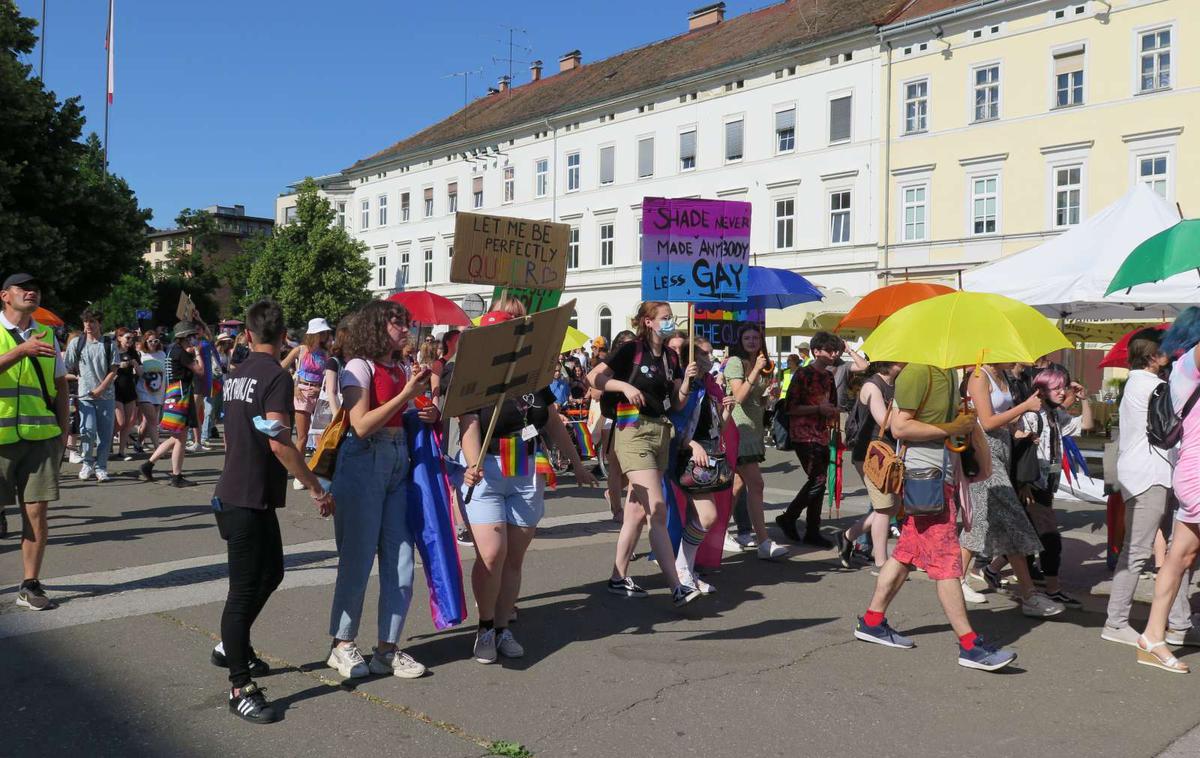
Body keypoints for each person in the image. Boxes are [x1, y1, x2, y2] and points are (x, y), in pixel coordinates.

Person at [212, 299, 332, 723]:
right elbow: (280, 441)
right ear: (285, 337)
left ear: (247, 335)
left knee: (274, 572)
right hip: (244, 498)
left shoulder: (236, 374)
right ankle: (239, 684)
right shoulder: (277, 378)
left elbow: (234, 435)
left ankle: (232, 644)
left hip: (244, 493)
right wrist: (316, 487)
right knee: (242, 592)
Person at [854, 363, 1017, 671]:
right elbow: (900, 427)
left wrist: (963, 428)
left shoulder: (946, 373)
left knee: (905, 552)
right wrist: (952, 428)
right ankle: (969, 645)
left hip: (938, 476)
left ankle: (872, 621)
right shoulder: (918, 372)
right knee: (946, 562)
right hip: (924, 479)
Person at [459, 303, 597, 663]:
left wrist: (578, 466)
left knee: (513, 559)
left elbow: (551, 422)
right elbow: (468, 425)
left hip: (524, 472)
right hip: (486, 470)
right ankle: (485, 626)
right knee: (491, 554)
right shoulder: (472, 375)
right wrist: (472, 463)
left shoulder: (533, 377)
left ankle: (503, 627)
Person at [325, 300, 438, 680]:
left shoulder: (402, 365)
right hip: (363, 460)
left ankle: (387, 649)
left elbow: (397, 416)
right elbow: (360, 425)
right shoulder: (358, 367)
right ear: (376, 327)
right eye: (397, 323)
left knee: (401, 560)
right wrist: (406, 395)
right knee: (357, 559)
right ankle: (342, 644)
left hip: (396, 459)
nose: (405, 329)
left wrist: (425, 411)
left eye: (406, 323)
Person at [590, 301, 701, 606]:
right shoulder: (631, 350)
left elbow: (677, 404)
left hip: (660, 432)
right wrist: (624, 387)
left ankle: (617, 576)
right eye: (665, 318)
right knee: (658, 509)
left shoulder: (671, 356)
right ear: (648, 322)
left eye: (671, 318)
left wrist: (687, 381)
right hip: (633, 431)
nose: (671, 322)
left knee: (637, 512)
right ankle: (677, 586)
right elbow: (594, 378)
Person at [1103, 329, 1194, 646]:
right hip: (1150, 475)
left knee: (1173, 553)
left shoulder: (1138, 383)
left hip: (1151, 474)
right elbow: (1173, 426)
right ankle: (1116, 621)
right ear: (1153, 356)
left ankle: (1179, 622)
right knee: (1139, 551)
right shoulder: (1154, 387)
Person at [960, 364, 1062, 616]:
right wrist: (1024, 407)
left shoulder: (1002, 375)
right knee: (1014, 520)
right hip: (985, 452)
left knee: (981, 521)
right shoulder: (978, 376)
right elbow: (987, 420)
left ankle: (956, 579)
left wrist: (1019, 430)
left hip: (1002, 450)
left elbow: (1002, 417)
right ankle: (1029, 595)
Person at [0, 274, 69, 610]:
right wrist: (20, 351)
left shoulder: (48, 336)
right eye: (23, 287)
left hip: (41, 438)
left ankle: (30, 584)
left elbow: (61, 386)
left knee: (37, 514)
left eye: (37, 288)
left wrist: (64, 431)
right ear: (4, 295)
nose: (32, 292)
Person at [1136, 310, 1200, 673]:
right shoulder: (1190, 363)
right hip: (1196, 472)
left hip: (1192, 471)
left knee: (1180, 558)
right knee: (1180, 558)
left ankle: (1152, 635)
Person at [1007, 364, 1092, 608]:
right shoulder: (1032, 416)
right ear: (1042, 390)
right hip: (1032, 484)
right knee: (1049, 536)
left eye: (1063, 388)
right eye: (1056, 388)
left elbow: (1085, 426)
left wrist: (1084, 400)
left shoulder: (1055, 415)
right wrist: (1023, 484)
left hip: (1047, 482)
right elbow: (1019, 449)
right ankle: (1052, 587)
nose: (1062, 393)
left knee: (1028, 536)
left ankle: (992, 569)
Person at [672, 338, 735, 591]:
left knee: (699, 517)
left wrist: (726, 412)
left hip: (705, 456)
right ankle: (681, 569)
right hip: (688, 457)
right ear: (693, 358)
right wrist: (691, 444)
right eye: (706, 354)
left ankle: (686, 569)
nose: (712, 358)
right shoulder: (688, 386)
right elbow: (675, 419)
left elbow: (716, 429)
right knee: (706, 516)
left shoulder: (708, 387)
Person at [725, 324, 788, 559]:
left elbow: (755, 401)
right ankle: (763, 541)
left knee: (738, 486)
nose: (752, 341)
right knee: (757, 485)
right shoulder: (736, 363)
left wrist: (768, 397)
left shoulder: (761, 364)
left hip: (754, 430)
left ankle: (718, 531)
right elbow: (738, 397)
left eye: (755, 337)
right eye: (747, 337)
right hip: (738, 429)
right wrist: (755, 372)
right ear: (739, 341)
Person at [777, 331, 842, 548]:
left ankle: (812, 529)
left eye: (836, 350)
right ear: (816, 351)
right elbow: (790, 407)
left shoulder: (829, 376)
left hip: (822, 433)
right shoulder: (803, 374)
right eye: (829, 350)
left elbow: (831, 403)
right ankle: (789, 517)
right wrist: (818, 408)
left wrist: (832, 411)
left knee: (820, 482)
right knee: (818, 479)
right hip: (803, 435)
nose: (834, 354)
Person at [838, 361, 904, 571]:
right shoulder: (872, 386)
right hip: (870, 453)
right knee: (884, 508)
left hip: (889, 451)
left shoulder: (897, 383)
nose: (906, 362)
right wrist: (908, 414)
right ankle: (882, 563)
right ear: (887, 362)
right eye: (901, 359)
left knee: (892, 506)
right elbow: (884, 420)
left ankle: (848, 536)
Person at [140, 322, 205, 487]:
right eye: (191, 336)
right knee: (180, 437)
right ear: (185, 337)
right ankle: (176, 476)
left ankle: (149, 465)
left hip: (174, 393)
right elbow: (200, 371)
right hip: (181, 394)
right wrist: (198, 353)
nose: (194, 339)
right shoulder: (181, 353)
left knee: (177, 437)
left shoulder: (172, 351)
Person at [65, 309, 119, 483]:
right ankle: (87, 463)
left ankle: (101, 467)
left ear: (99, 323)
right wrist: (78, 377)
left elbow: (113, 370)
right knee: (87, 431)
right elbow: (67, 368)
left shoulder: (109, 343)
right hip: (85, 395)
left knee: (105, 435)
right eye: (86, 322)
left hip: (106, 396)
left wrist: (101, 389)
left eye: (92, 322)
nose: (88, 325)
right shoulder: (77, 343)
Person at [282, 317, 332, 463]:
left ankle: (317, 468)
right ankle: (299, 472)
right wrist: (293, 386)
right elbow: (280, 368)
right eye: (321, 332)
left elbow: (329, 376)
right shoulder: (300, 349)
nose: (324, 335)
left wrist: (320, 389)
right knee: (302, 437)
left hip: (320, 395)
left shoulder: (325, 353)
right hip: (302, 393)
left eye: (325, 332)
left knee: (321, 435)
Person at [112, 327, 142, 462]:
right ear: (119, 338)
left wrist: (136, 365)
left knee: (129, 423)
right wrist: (119, 367)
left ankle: (121, 451)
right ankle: (106, 440)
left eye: (132, 338)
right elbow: (107, 370)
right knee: (120, 421)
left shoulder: (133, 353)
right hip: (116, 389)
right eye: (127, 338)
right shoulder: (114, 351)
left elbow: (141, 374)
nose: (130, 341)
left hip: (129, 389)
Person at [136, 331, 167, 455]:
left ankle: (138, 443)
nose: (153, 343)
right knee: (153, 420)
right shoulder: (141, 354)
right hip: (143, 391)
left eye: (156, 341)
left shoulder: (162, 354)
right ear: (145, 341)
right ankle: (158, 450)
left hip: (158, 392)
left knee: (148, 421)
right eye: (150, 341)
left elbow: (165, 375)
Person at [189, 323, 215, 452]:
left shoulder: (204, 343)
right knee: (195, 410)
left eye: (199, 329)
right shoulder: (190, 343)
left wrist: (199, 319)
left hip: (203, 378)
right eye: (195, 329)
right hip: (193, 378)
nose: (197, 331)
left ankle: (197, 441)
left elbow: (210, 335)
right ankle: (194, 439)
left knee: (197, 410)